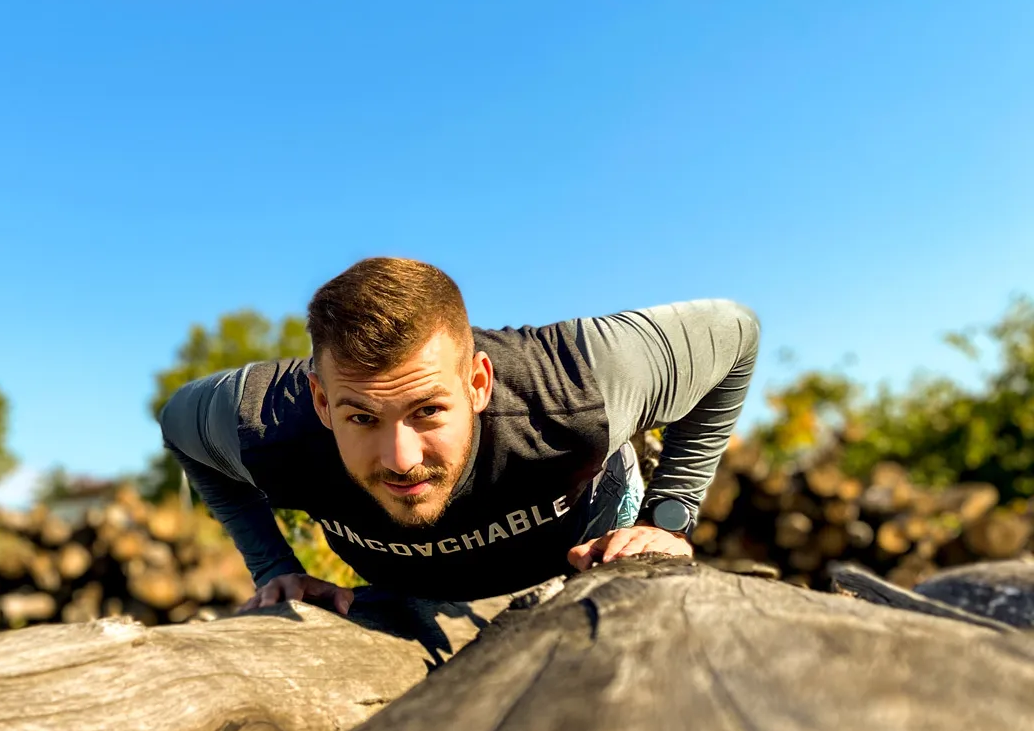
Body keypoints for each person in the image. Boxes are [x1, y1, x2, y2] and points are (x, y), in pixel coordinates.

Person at [160, 256, 759, 616]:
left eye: (427, 411)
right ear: (320, 400)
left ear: (478, 382)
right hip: (404, 585)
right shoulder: (265, 426)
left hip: (584, 546)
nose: (400, 460)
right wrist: (272, 569)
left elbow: (737, 334)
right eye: (362, 418)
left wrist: (669, 517)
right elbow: (177, 426)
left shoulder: (576, 387)